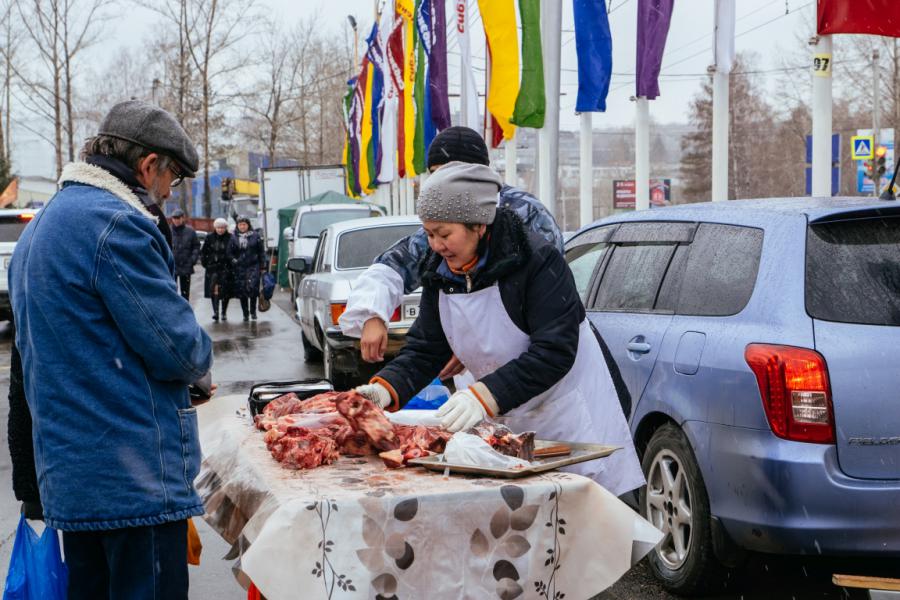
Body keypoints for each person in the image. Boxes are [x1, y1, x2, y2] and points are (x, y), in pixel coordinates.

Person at [8, 100, 213, 599]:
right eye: (172, 178)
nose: (169, 192)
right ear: (148, 165)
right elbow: (181, 351)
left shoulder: (42, 226)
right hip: (132, 486)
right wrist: (199, 363)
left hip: (74, 483)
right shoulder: (116, 224)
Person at [355, 162, 644, 497]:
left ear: (479, 225)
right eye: (430, 234)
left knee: (583, 515)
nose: (436, 245)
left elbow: (554, 351)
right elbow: (426, 348)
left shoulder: (537, 261)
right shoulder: (440, 272)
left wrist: (486, 395)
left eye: (444, 234)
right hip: (506, 424)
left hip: (569, 416)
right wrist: (385, 389)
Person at [338, 126, 563, 381]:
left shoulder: (529, 215)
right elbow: (394, 265)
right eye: (435, 175)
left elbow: (551, 298)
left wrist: (479, 342)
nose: (441, 186)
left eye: (449, 175)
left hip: (536, 369)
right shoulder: (441, 231)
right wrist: (373, 314)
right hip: (476, 379)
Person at [229, 216, 266, 321]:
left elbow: (261, 251)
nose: (242, 227)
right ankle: (245, 314)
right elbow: (229, 252)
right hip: (240, 267)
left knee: (253, 289)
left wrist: (263, 265)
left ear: (248, 225)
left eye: (244, 224)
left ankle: (253, 312)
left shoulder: (255, 236)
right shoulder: (233, 237)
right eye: (240, 224)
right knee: (242, 291)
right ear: (237, 226)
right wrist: (234, 260)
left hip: (253, 266)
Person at [201, 217, 234, 321]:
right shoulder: (209, 237)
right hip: (212, 268)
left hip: (226, 268)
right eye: (218, 227)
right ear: (215, 228)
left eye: (222, 227)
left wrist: (231, 264)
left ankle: (224, 312)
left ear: (225, 228)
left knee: (225, 291)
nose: (220, 230)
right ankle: (216, 312)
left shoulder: (230, 238)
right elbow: (204, 252)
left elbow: (233, 252)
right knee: (213, 290)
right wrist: (206, 263)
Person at [171, 208, 201, 301]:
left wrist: (193, 259)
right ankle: (173, 308)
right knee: (171, 291)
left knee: (185, 292)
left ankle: (185, 308)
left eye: (178, 218)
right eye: (174, 218)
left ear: (182, 218)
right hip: (172, 265)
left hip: (186, 265)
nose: (176, 220)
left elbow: (196, 246)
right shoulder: (168, 230)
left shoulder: (190, 231)